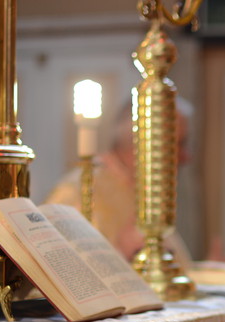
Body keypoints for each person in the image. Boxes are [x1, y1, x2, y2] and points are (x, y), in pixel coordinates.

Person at [45, 98, 194, 270]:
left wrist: (209, 273)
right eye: (178, 144)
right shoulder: (77, 191)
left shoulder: (145, 192)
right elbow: (63, 270)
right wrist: (122, 253)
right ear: (146, 142)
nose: (186, 157)